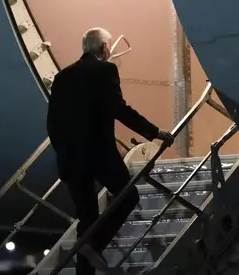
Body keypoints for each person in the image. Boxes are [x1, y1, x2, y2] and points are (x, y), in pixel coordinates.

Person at [47, 27, 174, 275]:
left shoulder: (63, 76)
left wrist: (63, 150)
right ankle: (94, 246)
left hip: (70, 159)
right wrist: (154, 132)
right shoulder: (105, 70)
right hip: (99, 155)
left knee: (87, 217)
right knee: (128, 197)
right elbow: (120, 109)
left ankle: (86, 263)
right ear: (105, 49)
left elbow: (53, 122)